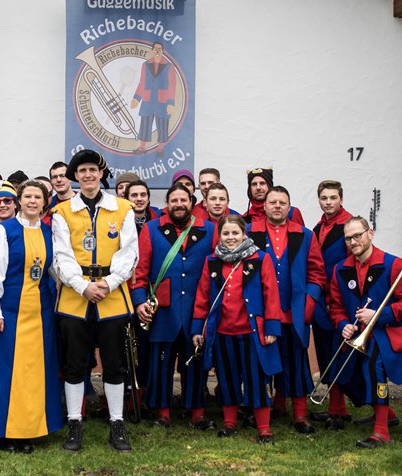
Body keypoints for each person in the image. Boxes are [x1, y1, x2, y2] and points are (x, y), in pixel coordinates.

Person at [52, 149, 137, 453]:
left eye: (93, 170)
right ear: (75, 176)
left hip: (111, 293)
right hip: (75, 297)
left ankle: (117, 423)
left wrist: (109, 282)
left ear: (101, 174)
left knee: (114, 364)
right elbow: (61, 255)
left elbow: (129, 252)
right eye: (82, 171)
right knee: (74, 364)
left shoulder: (123, 208)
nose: (88, 175)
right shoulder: (62, 212)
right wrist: (82, 286)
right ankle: (75, 424)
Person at [0, 180, 63, 453]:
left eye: (38, 197)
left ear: (45, 202)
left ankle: (28, 431)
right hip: (9, 311)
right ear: (19, 201)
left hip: (39, 314)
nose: (33, 201)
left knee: (33, 373)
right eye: (28, 197)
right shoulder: (4, 231)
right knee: (4, 373)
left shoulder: (50, 233)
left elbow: (54, 270)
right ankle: (5, 432)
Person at [191, 215, 283, 444]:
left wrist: (271, 327)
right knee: (227, 377)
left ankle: (264, 428)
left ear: (244, 234)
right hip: (223, 332)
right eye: (226, 233)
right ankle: (229, 423)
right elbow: (203, 296)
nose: (230, 238)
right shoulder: (211, 260)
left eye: (235, 233)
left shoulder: (261, 258)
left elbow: (271, 295)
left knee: (257, 379)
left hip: (253, 331)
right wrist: (197, 329)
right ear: (219, 236)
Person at [132, 183, 216, 430]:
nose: (179, 204)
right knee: (161, 363)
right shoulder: (151, 229)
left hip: (196, 309)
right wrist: (139, 301)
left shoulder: (209, 230)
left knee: (195, 362)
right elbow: (140, 270)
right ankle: (163, 412)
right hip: (163, 310)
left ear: (192, 202)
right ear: (167, 203)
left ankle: (197, 412)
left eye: (184, 200)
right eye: (174, 200)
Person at [248, 185, 325, 434]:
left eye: (282, 202)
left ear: (289, 206)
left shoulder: (304, 235)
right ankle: (265, 410)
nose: (277, 206)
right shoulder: (250, 233)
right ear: (265, 206)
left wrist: (309, 303)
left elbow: (316, 273)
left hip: (295, 312)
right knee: (263, 364)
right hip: (263, 313)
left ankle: (300, 416)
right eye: (273, 202)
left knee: (296, 363)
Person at [329, 216, 402, 448]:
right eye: (348, 238)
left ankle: (381, 432)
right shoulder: (341, 269)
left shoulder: (393, 264)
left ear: (370, 233)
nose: (353, 241)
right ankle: (386, 413)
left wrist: (378, 316)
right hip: (357, 335)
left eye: (357, 235)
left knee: (373, 368)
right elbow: (336, 306)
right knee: (344, 375)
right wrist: (343, 325)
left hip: (386, 333)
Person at [310, 180, 354, 428]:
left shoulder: (349, 225)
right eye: (324, 198)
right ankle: (335, 407)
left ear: (341, 199)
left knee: (342, 355)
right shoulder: (318, 228)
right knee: (328, 354)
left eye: (333, 197)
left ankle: (339, 411)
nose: (328, 202)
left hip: (341, 299)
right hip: (322, 300)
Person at [130, 41, 176, 157]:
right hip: (148, 99)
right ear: (152, 50)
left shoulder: (169, 66)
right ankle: (142, 147)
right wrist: (136, 98)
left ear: (162, 51)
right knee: (145, 123)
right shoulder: (145, 65)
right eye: (155, 48)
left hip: (163, 100)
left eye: (159, 49)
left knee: (162, 124)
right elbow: (142, 82)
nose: (157, 50)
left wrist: (171, 103)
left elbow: (172, 85)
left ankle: (160, 148)